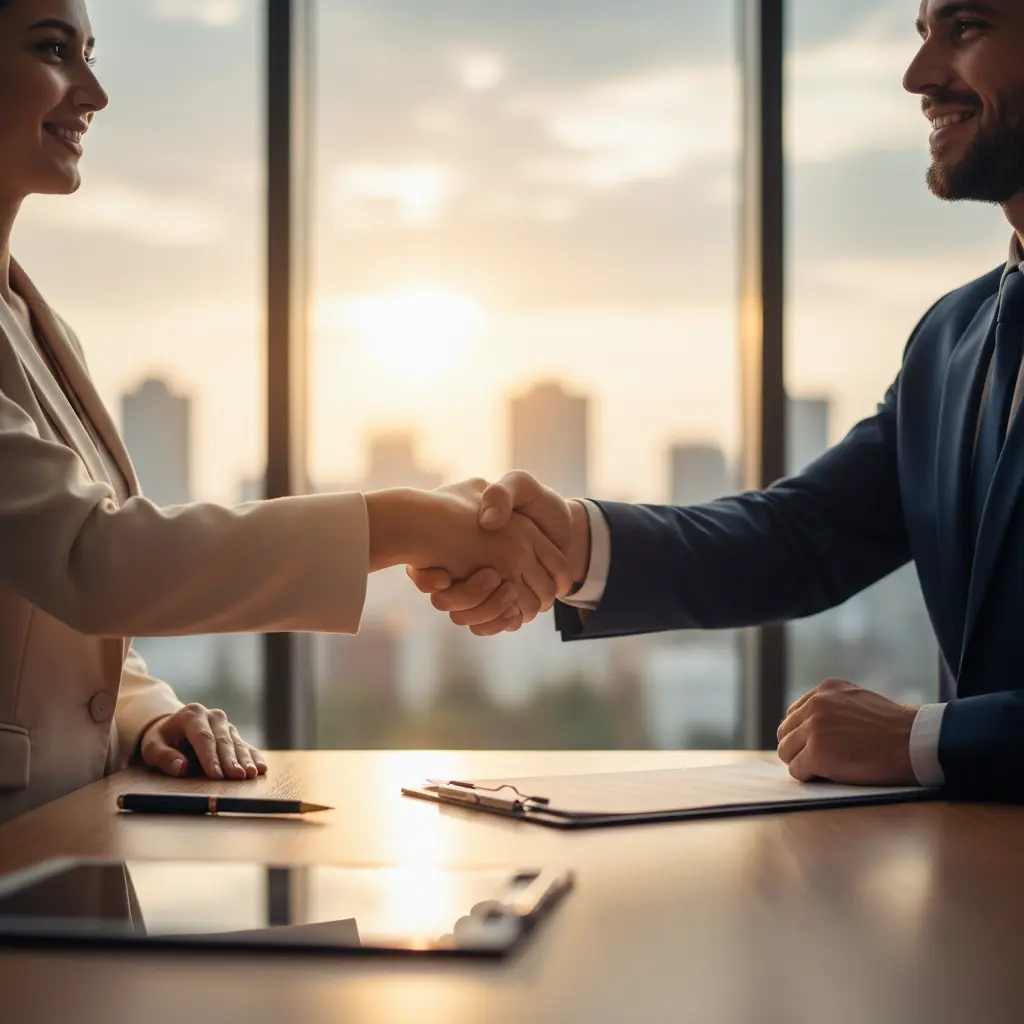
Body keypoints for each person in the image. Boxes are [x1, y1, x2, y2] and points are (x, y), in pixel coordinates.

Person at [413, 0, 1024, 794]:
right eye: (920, 35)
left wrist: (929, 738)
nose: (919, 77)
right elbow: (803, 534)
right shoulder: (952, 338)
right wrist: (576, 543)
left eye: (965, 29)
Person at [0, 0, 570, 824]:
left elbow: (44, 596)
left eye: (90, 53)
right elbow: (95, 559)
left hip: (64, 849)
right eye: (54, 49)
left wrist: (144, 714)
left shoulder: (40, 323)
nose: (94, 91)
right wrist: (405, 520)